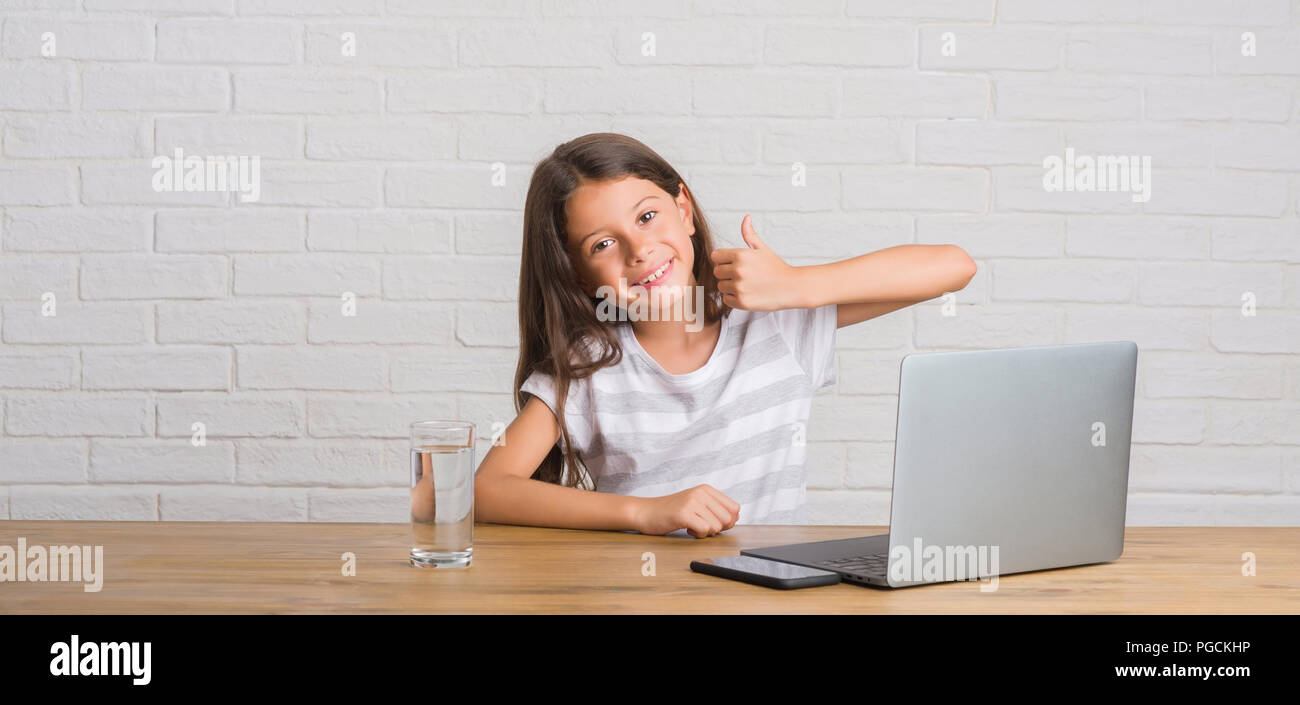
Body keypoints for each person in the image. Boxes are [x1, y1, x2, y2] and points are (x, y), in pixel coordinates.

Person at [474, 132, 976, 538]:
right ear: (580, 276)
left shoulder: (775, 322)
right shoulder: (588, 369)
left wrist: (797, 285)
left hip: (773, 593)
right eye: (603, 243)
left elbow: (953, 266)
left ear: (684, 210)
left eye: (648, 217)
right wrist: (644, 512)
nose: (640, 250)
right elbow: (486, 490)